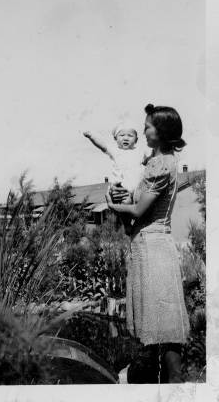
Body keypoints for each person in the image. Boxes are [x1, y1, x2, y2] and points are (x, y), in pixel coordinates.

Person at [106, 103, 190, 383]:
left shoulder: (158, 164)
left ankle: (170, 385)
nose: (143, 132)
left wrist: (112, 205)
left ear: (162, 132)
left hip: (152, 249)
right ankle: (169, 384)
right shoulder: (160, 162)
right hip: (152, 246)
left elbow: (139, 211)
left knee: (161, 325)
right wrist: (123, 197)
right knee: (162, 324)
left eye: (147, 127)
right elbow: (140, 205)